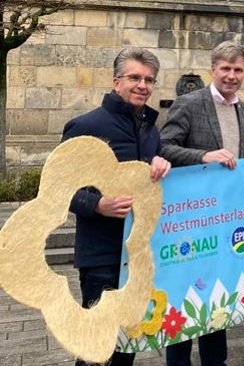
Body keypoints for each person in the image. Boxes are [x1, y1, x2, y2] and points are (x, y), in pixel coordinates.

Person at [159, 40, 244, 366]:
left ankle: (216, 361)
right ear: (213, 69)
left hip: (226, 218)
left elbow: (239, 152)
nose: (231, 75)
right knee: (185, 299)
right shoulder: (189, 103)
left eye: (238, 69)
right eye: (225, 68)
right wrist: (203, 156)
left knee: (217, 296)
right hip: (192, 221)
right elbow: (164, 147)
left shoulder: (243, 108)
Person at [61, 47, 172, 366]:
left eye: (149, 80)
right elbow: (57, 189)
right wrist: (98, 204)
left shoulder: (151, 129)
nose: (143, 85)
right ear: (115, 81)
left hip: (137, 255)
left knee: (127, 344)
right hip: (102, 256)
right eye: (135, 77)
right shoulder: (85, 125)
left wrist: (161, 164)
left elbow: (151, 181)